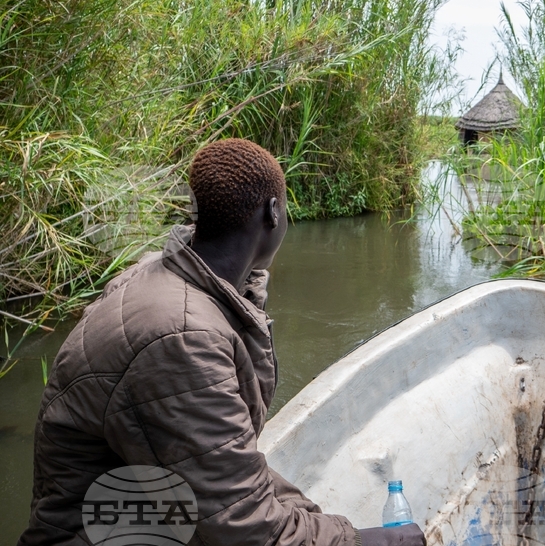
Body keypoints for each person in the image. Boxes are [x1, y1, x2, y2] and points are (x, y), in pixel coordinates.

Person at [19, 139, 425, 546]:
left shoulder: (163, 275)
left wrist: (310, 514)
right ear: (273, 213)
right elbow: (248, 529)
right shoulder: (180, 338)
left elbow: (227, 468)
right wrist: (371, 540)